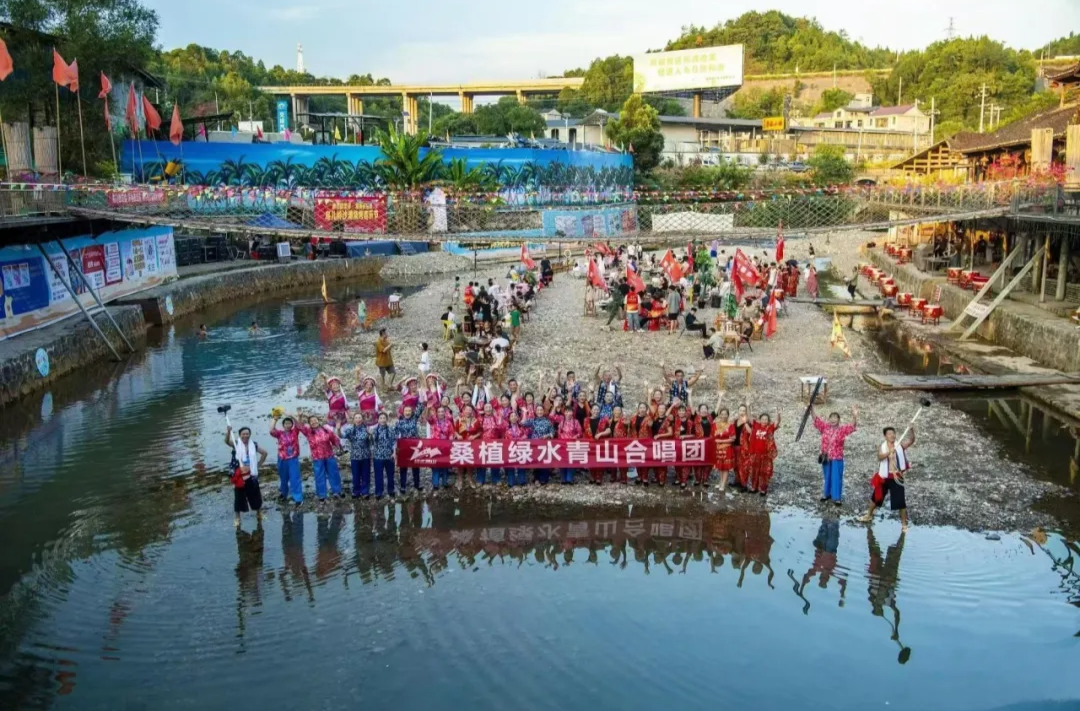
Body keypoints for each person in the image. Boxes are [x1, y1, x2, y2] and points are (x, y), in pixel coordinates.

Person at [862, 426, 916, 531]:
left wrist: (911, 430)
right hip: (884, 477)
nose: (892, 435)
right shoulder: (882, 447)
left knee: (900, 501)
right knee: (876, 497)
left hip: (897, 476)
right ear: (885, 436)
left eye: (893, 433)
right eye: (889, 434)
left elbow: (911, 440)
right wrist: (889, 452)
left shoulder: (899, 445)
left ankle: (904, 525)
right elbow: (879, 457)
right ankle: (868, 515)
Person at [813, 405, 858, 505]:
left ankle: (836, 497)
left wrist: (854, 416)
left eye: (835, 417)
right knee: (827, 476)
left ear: (839, 420)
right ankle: (827, 494)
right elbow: (816, 420)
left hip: (837, 457)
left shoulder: (842, 430)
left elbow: (852, 426)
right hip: (826, 457)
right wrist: (811, 408)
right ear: (829, 419)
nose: (833, 419)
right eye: (831, 417)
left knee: (836, 477)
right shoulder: (824, 427)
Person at [226, 424, 267, 527]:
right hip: (240, 475)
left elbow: (264, 453)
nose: (245, 436)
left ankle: (259, 513)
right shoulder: (236, 444)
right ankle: (237, 518)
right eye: (243, 434)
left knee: (255, 495)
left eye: (247, 434)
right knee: (239, 496)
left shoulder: (254, 444)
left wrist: (258, 465)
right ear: (240, 435)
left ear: (250, 435)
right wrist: (228, 432)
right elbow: (226, 441)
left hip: (252, 475)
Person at [299, 415, 343, 500]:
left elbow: (335, 439)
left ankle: (337, 492)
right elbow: (300, 426)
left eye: (315, 420)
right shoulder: (308, 432)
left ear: (318, 421)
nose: (314, 422)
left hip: (329, 455)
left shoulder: (326, 430)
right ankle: (322, 495)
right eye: (311, 421)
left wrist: (339, 447)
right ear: (309, 424)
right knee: (319, 476)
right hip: (317, 457)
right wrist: (299, 416)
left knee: (334, 474)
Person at [338, 413, 372, 499]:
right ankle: (356, 491)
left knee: (365, 475)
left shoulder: (366, 429)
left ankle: (365, 492)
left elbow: (372, 442)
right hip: (354, 457)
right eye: (356, 418)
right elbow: (341, 436)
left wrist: (371, 434)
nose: (358, 419)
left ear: (362, 419)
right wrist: (338, 429)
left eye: (359, 418)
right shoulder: (350, 430)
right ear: (353, 420)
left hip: (365, 456)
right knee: (356, 475)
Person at [270, 415, 302, 504]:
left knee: (295, 478)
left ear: (292, 425)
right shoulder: (280, 433)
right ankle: (283, 493)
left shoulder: (295, 432)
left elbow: (299, 425)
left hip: (293, 458)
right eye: (286, 423)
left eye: (289, 423)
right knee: (283, 478)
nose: (287, 425)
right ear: (283, 425)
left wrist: (294, 416)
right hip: (282, 458)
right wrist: (275, 419)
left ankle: (298, 498)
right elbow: (272, 430)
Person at [747, 412, 781, 496]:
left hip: (766, 455)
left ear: (768, 421)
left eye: (766, 419)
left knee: (764, 472)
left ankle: (763, 489)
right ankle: (754, 487)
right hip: (755, 454)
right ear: (760, 420)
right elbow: (749, 418)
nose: (764, 421)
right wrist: (748, 406)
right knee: (754, 471)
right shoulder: (756, 425)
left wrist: (778, 414)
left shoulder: (770, 428)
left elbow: (777, 421)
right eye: (763, 419)